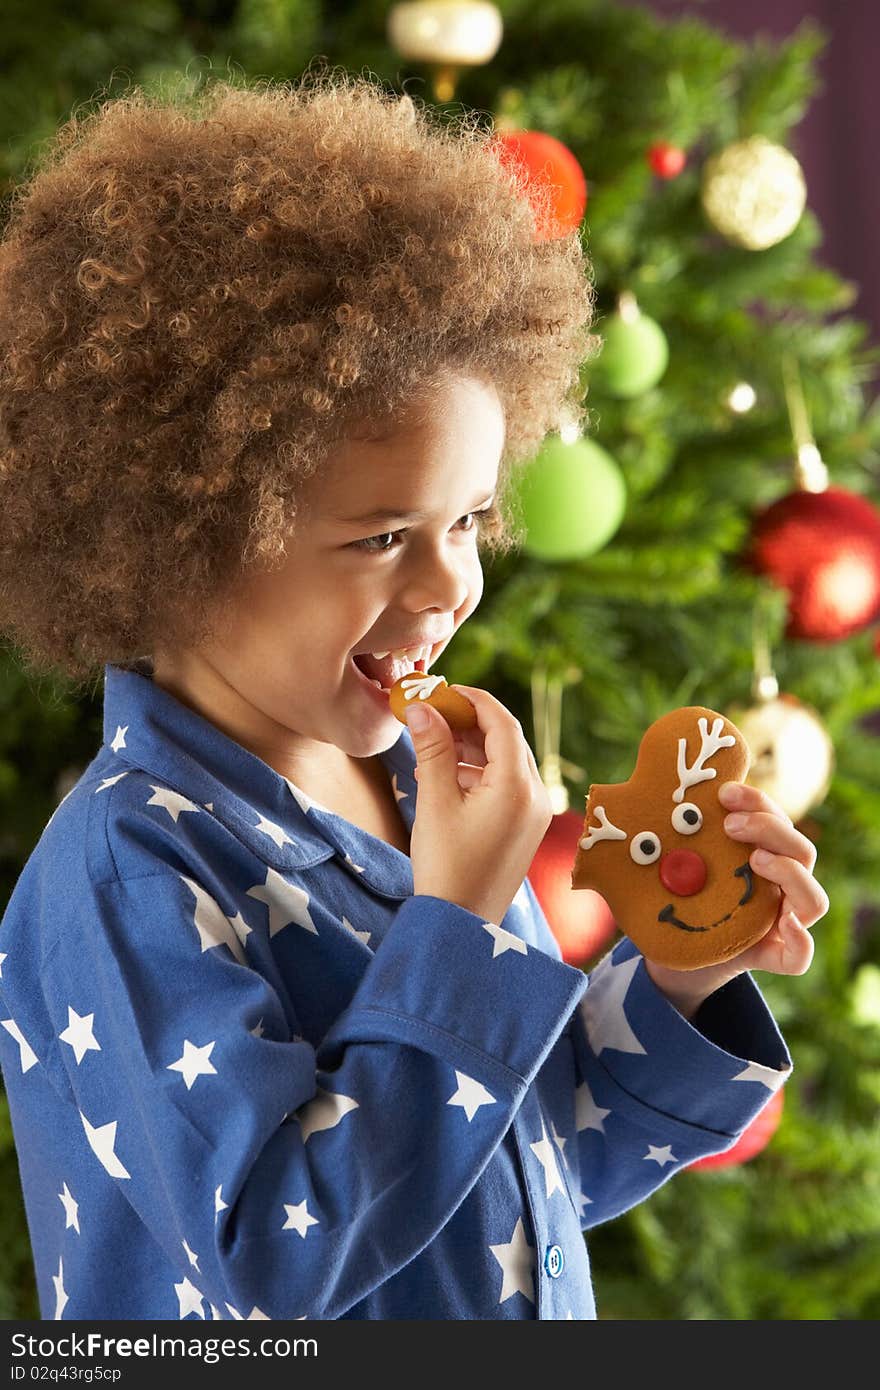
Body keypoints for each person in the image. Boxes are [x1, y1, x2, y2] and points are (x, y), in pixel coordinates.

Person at [0, 67, 828, 1321]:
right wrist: (456, 919)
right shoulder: (127, 871)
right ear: (178, 551)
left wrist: (678, 981)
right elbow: (276, 1265)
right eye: (381, 536)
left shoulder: (421, 787)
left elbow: (511, 1169)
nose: (451, 583)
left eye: (470, 521)